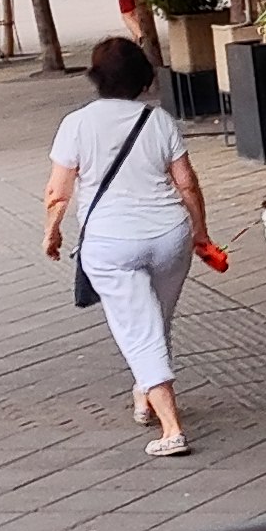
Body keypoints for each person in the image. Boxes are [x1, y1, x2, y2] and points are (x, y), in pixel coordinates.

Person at [43, 35, 220, 456]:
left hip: (110, 242)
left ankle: (171, 428)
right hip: (169, 237)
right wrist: (200, 232)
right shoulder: (158, 120)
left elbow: (58, 191)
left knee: (139, 330)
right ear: (141, 77)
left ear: (96, 78)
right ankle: (144, 393)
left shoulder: (77, 124)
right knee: (156, 320)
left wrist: (52, 231)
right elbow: (187, 183)